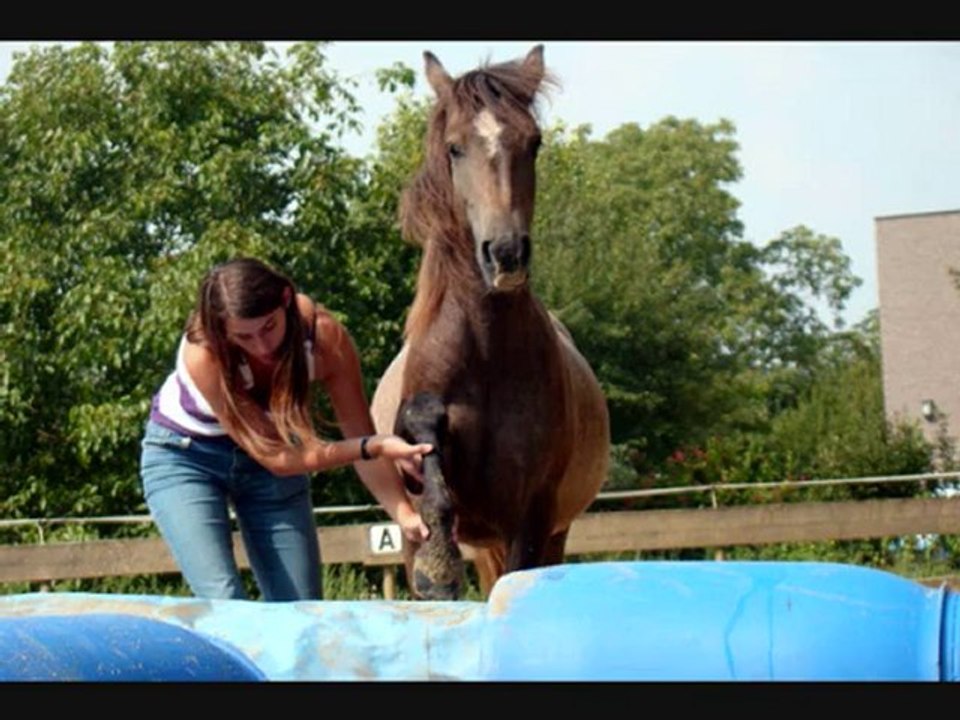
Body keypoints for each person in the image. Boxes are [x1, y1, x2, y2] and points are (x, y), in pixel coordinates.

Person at [140, 257, 432, 601]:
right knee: (223, 599)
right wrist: (376, 446)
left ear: (286, 300)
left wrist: (405, 513)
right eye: (244, 337)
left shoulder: (323, 338)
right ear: (222, 331)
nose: (262, 346)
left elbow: (359, 434)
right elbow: (282, 460)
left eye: (268, 327)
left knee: (301, 607)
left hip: (271, 465)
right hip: (186, 457)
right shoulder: (204, 353)